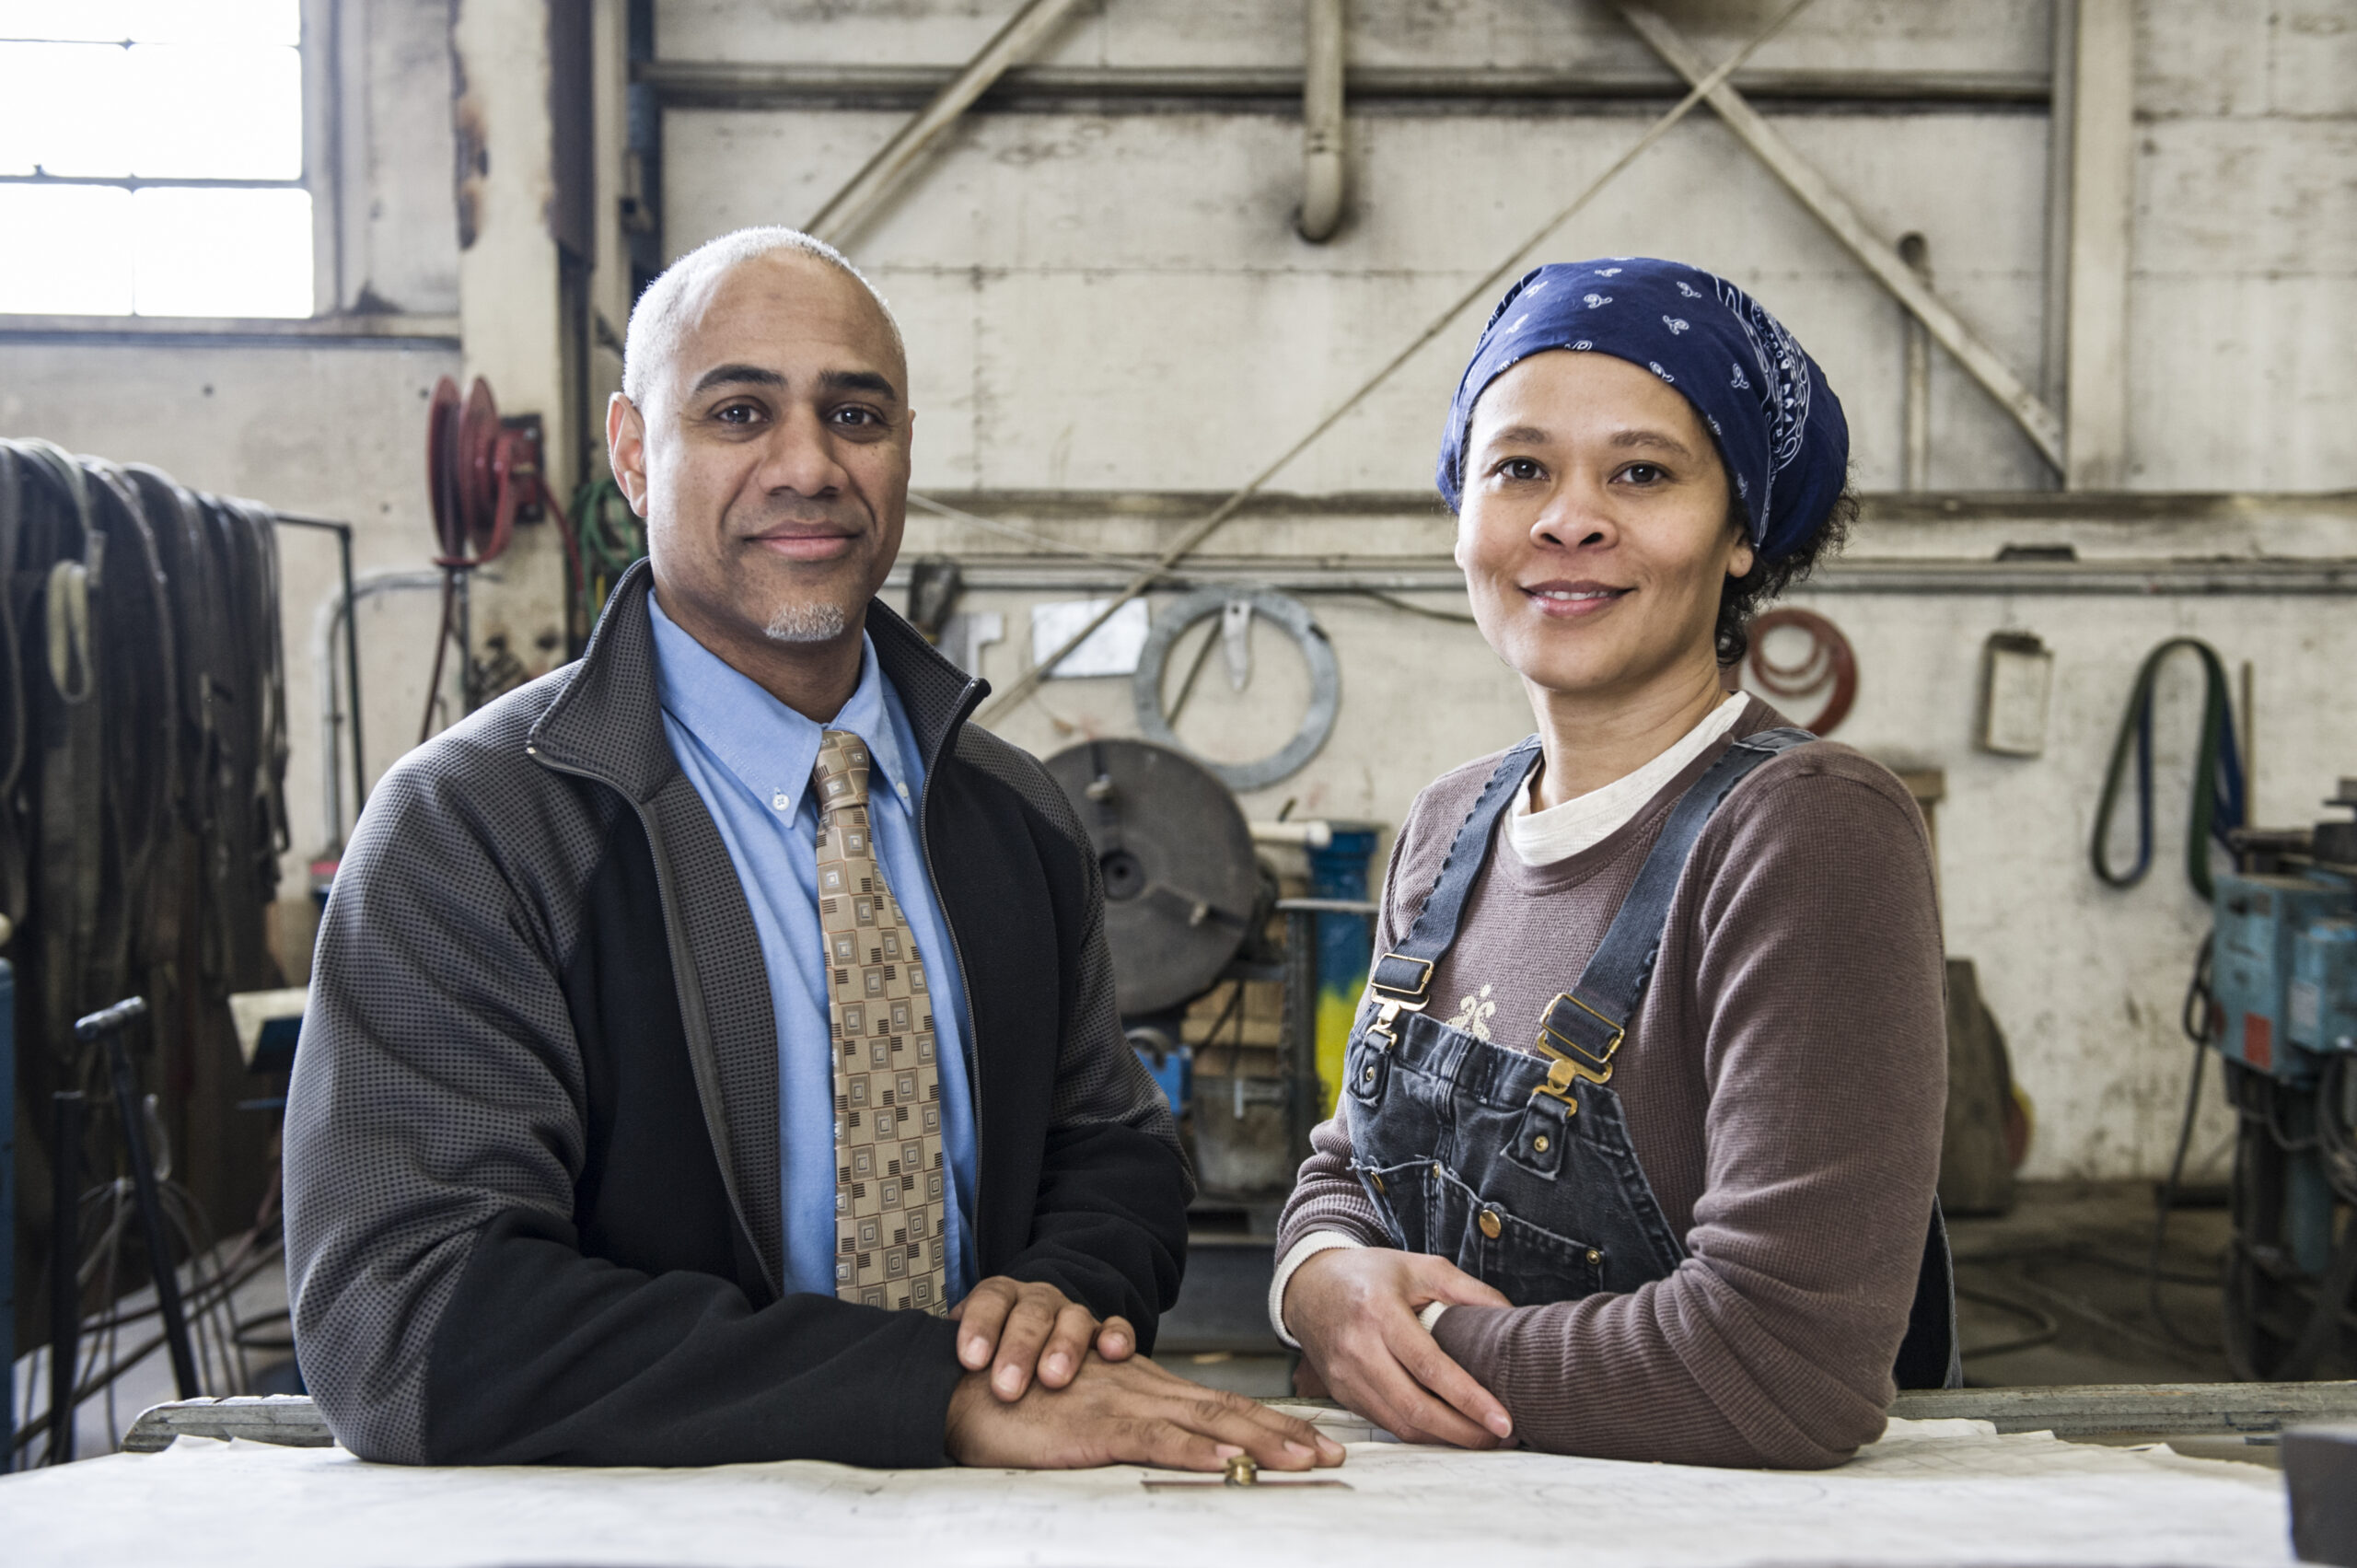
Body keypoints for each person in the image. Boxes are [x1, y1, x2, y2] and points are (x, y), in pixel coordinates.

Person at [284, 226, 1343, 1476]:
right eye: (739, 412)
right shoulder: (477, 828)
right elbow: (408, 1320)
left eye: (856, 414)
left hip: (996, 1532)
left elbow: (1108, 1149)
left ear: (903, 450)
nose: (809, 465)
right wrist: (925, 1396)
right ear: (634, 452)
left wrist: (1056, 1309)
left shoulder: (1012, 816)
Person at [1272, 258, 1955, 1469]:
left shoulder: (1807, 835)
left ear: (1742, 534)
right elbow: (1348, 1171)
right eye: (1519, 468)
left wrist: (1390, 1339)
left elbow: (1781, 1368)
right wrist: (1318, 1282)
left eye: (1641, 472)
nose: (1569, 518)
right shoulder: (1451, 821)